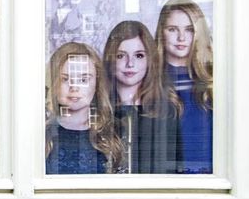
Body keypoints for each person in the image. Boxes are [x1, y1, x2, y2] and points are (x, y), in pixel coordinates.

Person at [102, 21, 181, 173]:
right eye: (120, 56)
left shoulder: (167, 110)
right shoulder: (99, 108)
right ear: (110, 59)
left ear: (149, 59)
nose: (130, 64)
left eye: (139, 55)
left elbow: (174, 169)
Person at [155, 0, 213, 173]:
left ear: (198, 33)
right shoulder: (150, 79)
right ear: (161, 32)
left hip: (210, 178)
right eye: (172, 29)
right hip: (166, 177)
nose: (181, 37)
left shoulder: (213, 79)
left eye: (189, 30)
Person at [45, 41, 123, 174]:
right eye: (65, 79)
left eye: (83, 80)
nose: (74, 87)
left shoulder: (112, 133)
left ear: (97, 84)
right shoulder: (43, 133)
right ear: (54, 82)